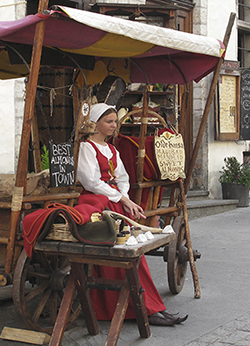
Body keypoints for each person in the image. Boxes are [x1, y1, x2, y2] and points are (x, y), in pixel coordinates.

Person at [76, 102, 188, 326]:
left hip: (115, 204)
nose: (113, 125)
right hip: (97, 204)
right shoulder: (86, 148)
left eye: (115, 121)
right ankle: (147, 309)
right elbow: (90, 181)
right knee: (123, 256)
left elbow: (123, 177)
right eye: (108, 121)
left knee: (136, 255)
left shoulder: (112, 150)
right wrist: (122, 198)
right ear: (96, 124)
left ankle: (151, 307)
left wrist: (124, 197)